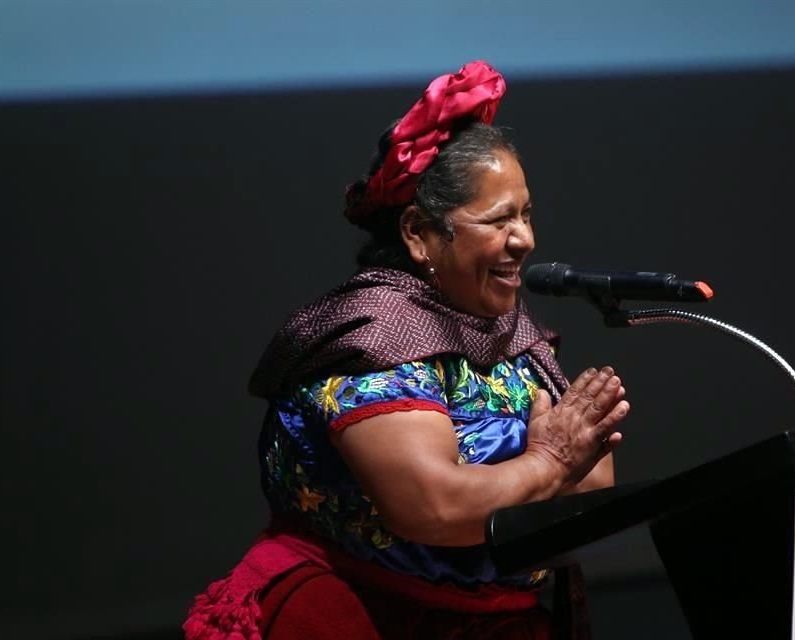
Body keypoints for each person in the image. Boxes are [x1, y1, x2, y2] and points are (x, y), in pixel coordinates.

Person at [182, 60, 629, 640]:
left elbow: (593, 487)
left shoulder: (508, 331)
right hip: (369, 615)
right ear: (419, 233)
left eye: (526, 214)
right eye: (499, 220)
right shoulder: (374, 338)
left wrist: (535, 474)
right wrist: (545, 463)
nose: (526, 239)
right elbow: (437, 509)